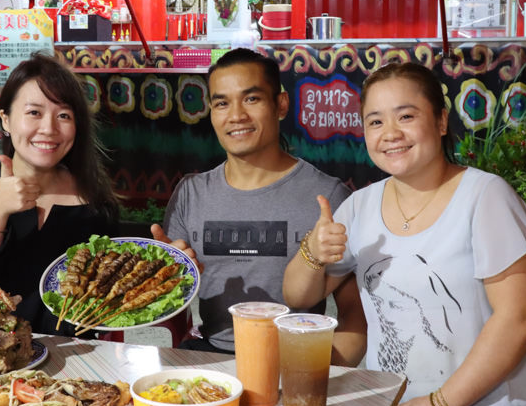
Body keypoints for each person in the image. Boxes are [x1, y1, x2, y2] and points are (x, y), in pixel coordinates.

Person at [282, 61, 526, 406]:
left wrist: (444, 405)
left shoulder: (485, 196)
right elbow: (297, 295)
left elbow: (519, 318)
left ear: (441, 121)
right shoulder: (358, 208)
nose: (390, 132)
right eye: (376, 121)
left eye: (406, 116)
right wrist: (313, 253)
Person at [151, 48, 366, 364]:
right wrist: (164, 281)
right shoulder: (190, 193)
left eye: (251, 99)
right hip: (210, 360)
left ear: (280, 105)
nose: (236, 115)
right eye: (222, 103)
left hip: (293, 360)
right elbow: (166, 309)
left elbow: (355, 315)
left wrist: (315, 379)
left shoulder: (327, 197)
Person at [0, 52, 120, 336]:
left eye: (64, 115)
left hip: (71, 366)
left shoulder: (96, 204)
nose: (49, 128)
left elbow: (108, 304)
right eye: (34, 112)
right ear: (6, 120)